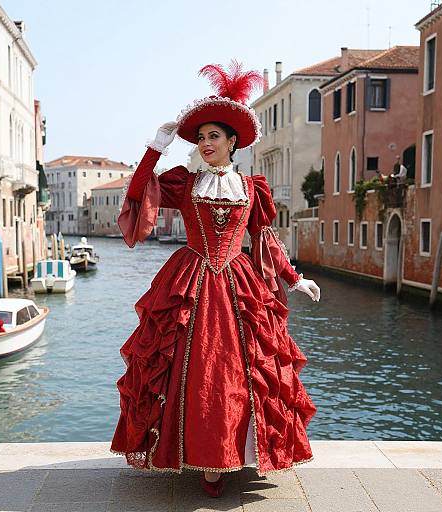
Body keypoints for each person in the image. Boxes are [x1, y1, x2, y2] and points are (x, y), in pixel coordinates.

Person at [111, 61, 320, 498]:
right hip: (189, 279)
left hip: (239, 282)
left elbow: (263, 239)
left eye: (213, 137)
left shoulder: (253, 188)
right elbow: (139, 192)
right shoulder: (184, 183)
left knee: (242, 371)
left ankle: (231, 454)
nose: (205, 144)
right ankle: (199, 456)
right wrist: (156, 147)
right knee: (190, 367)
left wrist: (293, 278)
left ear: (232, 142)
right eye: (201, 137)